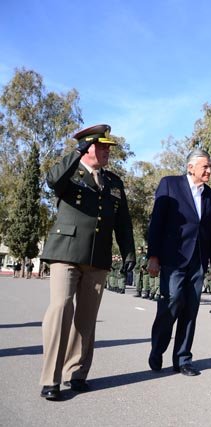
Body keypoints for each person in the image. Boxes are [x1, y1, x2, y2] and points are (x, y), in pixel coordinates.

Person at [39, 124, 135, 400]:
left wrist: (128, 252)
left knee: (86, 318)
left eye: (108, 147)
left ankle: (76, 372)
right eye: (102, 146)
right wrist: (77, 150)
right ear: (88, 147)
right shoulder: (70, 173)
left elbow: (123, 222)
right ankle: (51, 379)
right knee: (61, 310)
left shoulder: (114, 182)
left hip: (98, 255)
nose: (107, 151)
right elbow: (52, 181)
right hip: (66, 252)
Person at [147, 149, 211, 377]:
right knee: (171, 303)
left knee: (190, 309)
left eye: (210, 167)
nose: (209, 170)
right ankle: (158, 348)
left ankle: (183, 359)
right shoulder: (170, 185)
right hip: (173, 259)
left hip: (198, 261)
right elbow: (156, 222)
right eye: (205, 167)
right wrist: (153, 256)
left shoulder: (209, 195)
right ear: (191, 168)